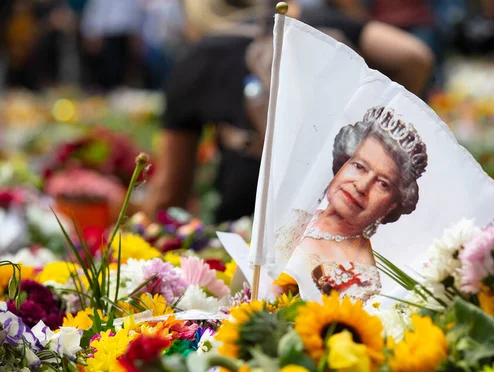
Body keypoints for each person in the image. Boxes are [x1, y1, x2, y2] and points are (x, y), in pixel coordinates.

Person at [144, 0, 433, 224]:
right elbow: (413, 56)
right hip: (338, 209)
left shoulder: (196, 61)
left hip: (247, 221)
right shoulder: (315, 24)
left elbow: (170, 191)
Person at [276, 106, 428, 302]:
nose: (362, 186)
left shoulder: (360, 280)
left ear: (391, 205)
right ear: (341, 164)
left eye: (382, 184)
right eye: (359, 166)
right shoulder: (297, 215)